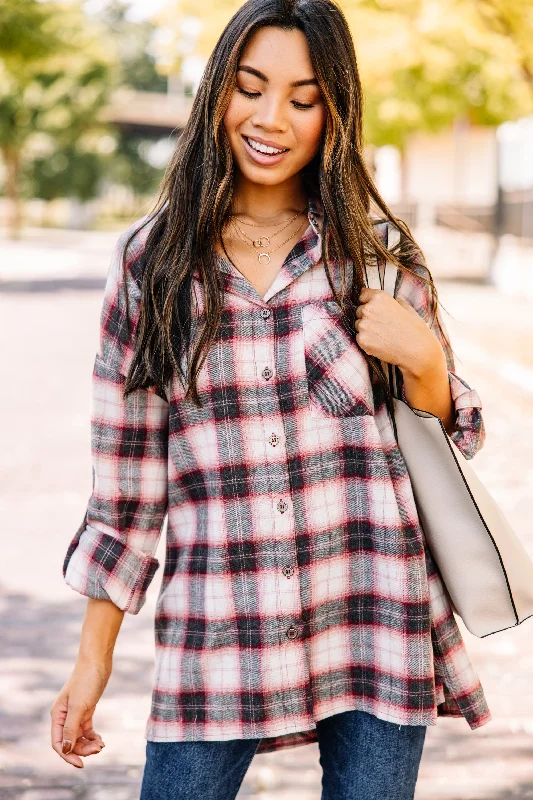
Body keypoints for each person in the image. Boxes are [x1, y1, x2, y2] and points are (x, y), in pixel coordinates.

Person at [50, 1, 492, 797]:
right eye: (250, 88)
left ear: (334, 111)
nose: (270, 118)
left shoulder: (374, 258)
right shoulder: (153, 267)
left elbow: (440, 438)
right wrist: (93, 662)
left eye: (302, 97)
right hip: (218, 627)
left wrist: (423, 355)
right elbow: (126, 487)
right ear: (218, 91)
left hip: (374, 615)